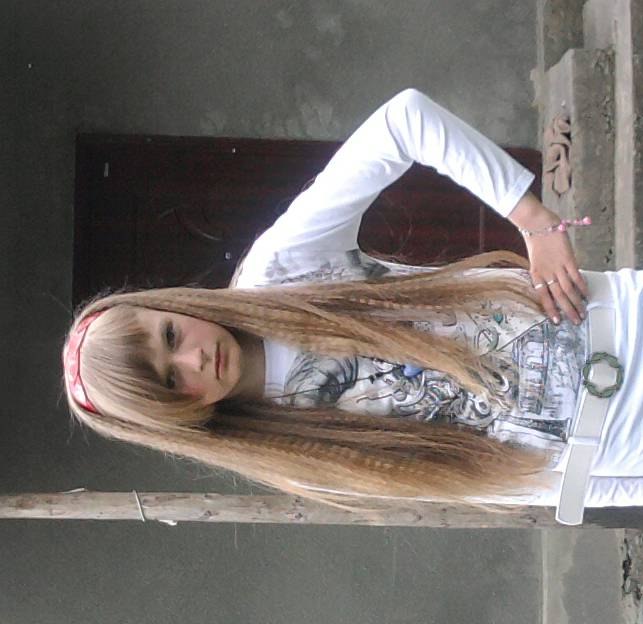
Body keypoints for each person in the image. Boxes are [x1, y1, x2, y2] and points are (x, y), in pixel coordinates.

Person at [63, 89, 640, 524]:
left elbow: (404, 122)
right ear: (173, 420)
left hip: (616, 324)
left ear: (168, 306)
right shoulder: (289, 456)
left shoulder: (281, 272)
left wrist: (534, 222)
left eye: (170, 336)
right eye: (171, 383)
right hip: (614, 445)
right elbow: (494, 482)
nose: (193, 359)